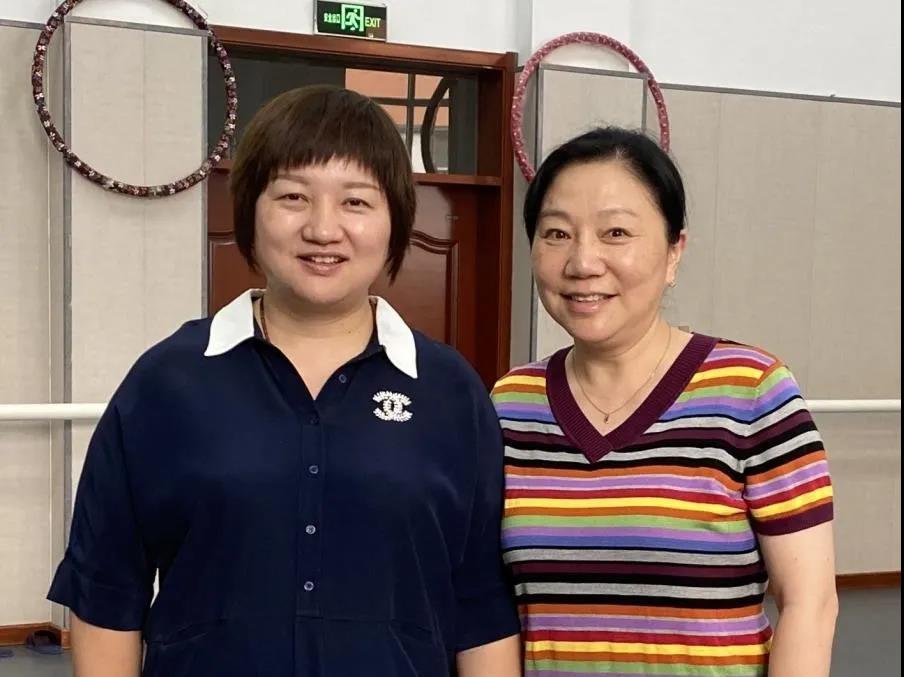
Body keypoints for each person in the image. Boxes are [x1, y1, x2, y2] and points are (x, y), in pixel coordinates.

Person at [48, 85, 521, 677]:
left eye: (356, 201)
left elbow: (479, 606)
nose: (323, 229)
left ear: (395, 221)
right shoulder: (168, 382)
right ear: (249, 209)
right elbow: (106, 593)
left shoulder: (451, 393)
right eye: (293, 196)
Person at [492, 127, 837, 677]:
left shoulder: (752, 390)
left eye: (616, 232)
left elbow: (809, 604)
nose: (582, 262)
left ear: (674, 251)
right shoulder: (509, 404)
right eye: (556, 233)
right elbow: (492, 606)